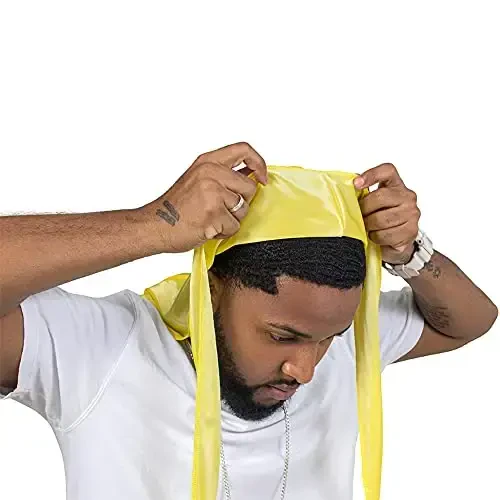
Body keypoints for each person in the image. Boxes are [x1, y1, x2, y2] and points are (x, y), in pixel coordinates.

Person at [0, 142, 497, 500]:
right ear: (213, 288)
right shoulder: (100, 349)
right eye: (282, 336)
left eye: (330, 338)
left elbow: (470, 321)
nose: (305, 369)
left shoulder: (341, 340)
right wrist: (154, 224)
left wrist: (409, 254)